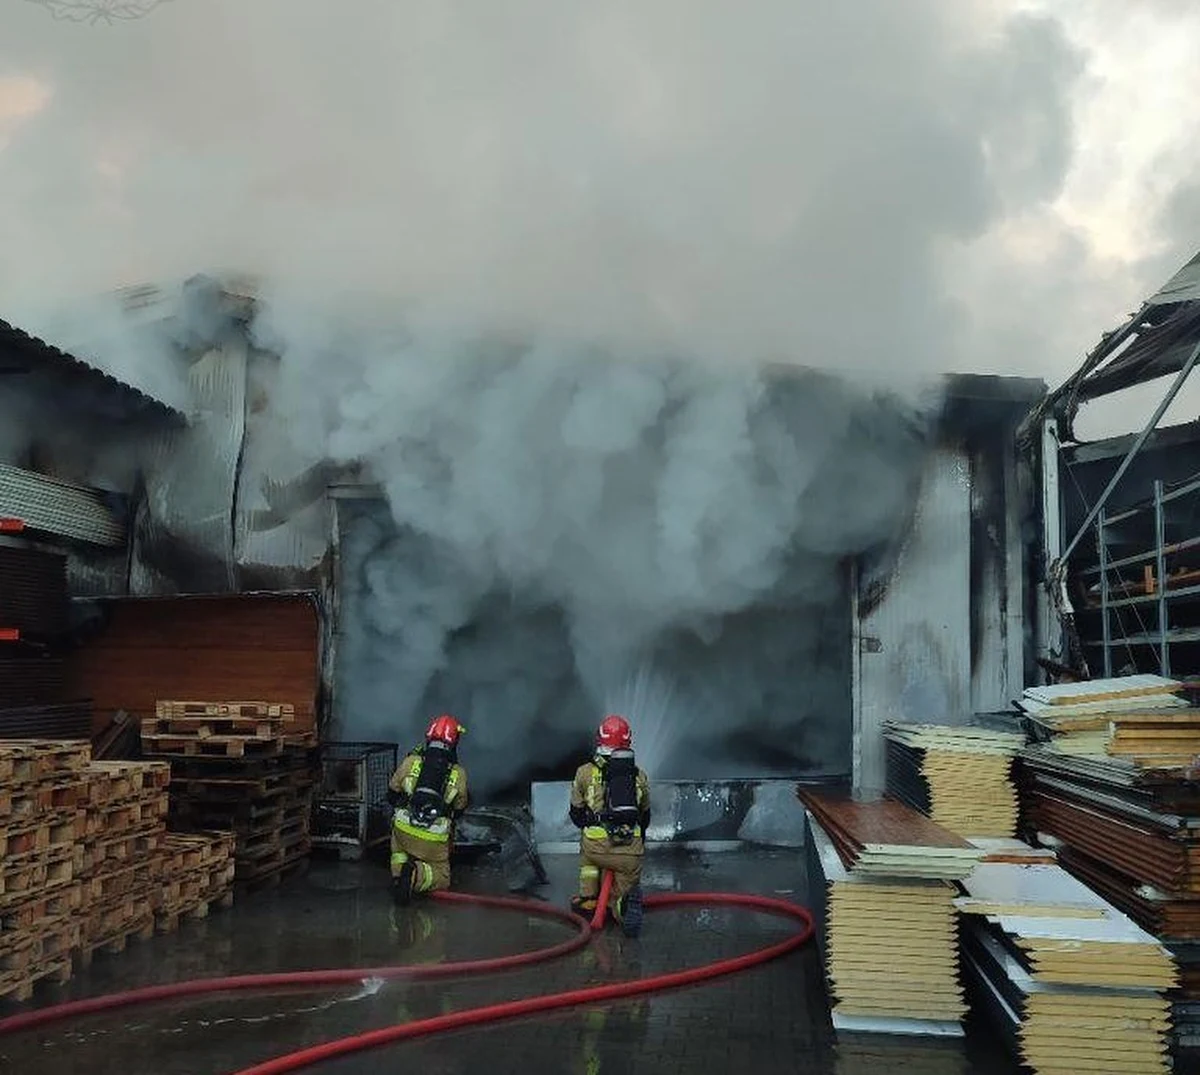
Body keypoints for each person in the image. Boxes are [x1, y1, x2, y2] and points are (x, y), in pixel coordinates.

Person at [568, 714, 651, 937]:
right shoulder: (640, 776)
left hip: (596, 848)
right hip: (629, 854)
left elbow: (575, 813)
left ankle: (589, 898)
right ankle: (620, 905)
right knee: (625, 883)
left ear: (599, 740)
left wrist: (593, 824)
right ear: (628, 742)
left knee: (587, 848)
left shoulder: (584, 772)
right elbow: (645, 818)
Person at [386, 714, 468, 905]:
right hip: (434, 837)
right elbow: (460, 809)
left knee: (398, 845)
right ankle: (416, 875)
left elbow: (391, 794)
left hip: (403, 829)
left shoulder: (411, 762)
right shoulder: (459, 773)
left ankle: (399, 876)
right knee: (442, 875)